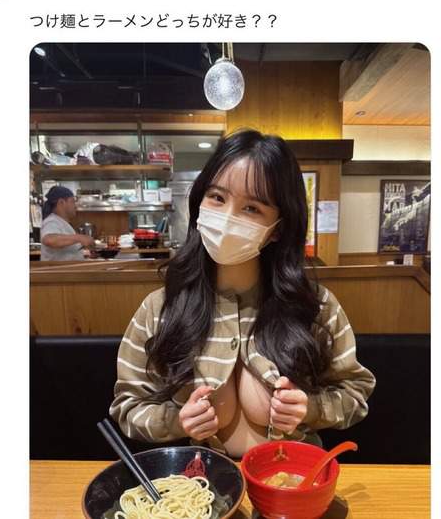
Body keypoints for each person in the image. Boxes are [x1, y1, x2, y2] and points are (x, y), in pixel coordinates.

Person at [110, 129, 376, 458]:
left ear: (278, 228)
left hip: (295, 477)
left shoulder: (316, 306)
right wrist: (177, 421)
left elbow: (355, 393)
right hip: (203, 480)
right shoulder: (160, 307)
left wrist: (310, 408)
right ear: (199, 202)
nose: (227, 218)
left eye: (251, 208)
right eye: (217, 197)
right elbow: (127, 407)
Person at [40, 186, 94, 261]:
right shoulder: (52, 221)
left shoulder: (61, 222)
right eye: (73, 201)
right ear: (61, 202)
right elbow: (49, 240)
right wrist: (80, 238)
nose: (75, 206)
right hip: (58, 268)